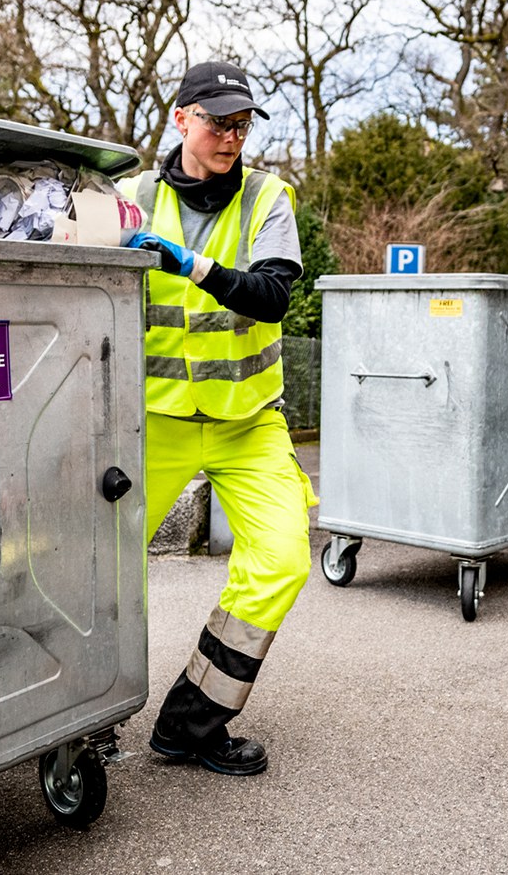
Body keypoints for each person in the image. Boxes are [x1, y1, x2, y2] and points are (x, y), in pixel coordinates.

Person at [120, 61, 312, 777]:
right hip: (152, 421)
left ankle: (190, 724)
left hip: (248, 423)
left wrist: (189, 265)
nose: (231, 137)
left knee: (282, 561)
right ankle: (73, 715)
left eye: (241, 125)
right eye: (217, 122)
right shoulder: (132, 199)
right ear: (181, 119)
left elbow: (272, 297)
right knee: (96, 565)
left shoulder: (267, 198)